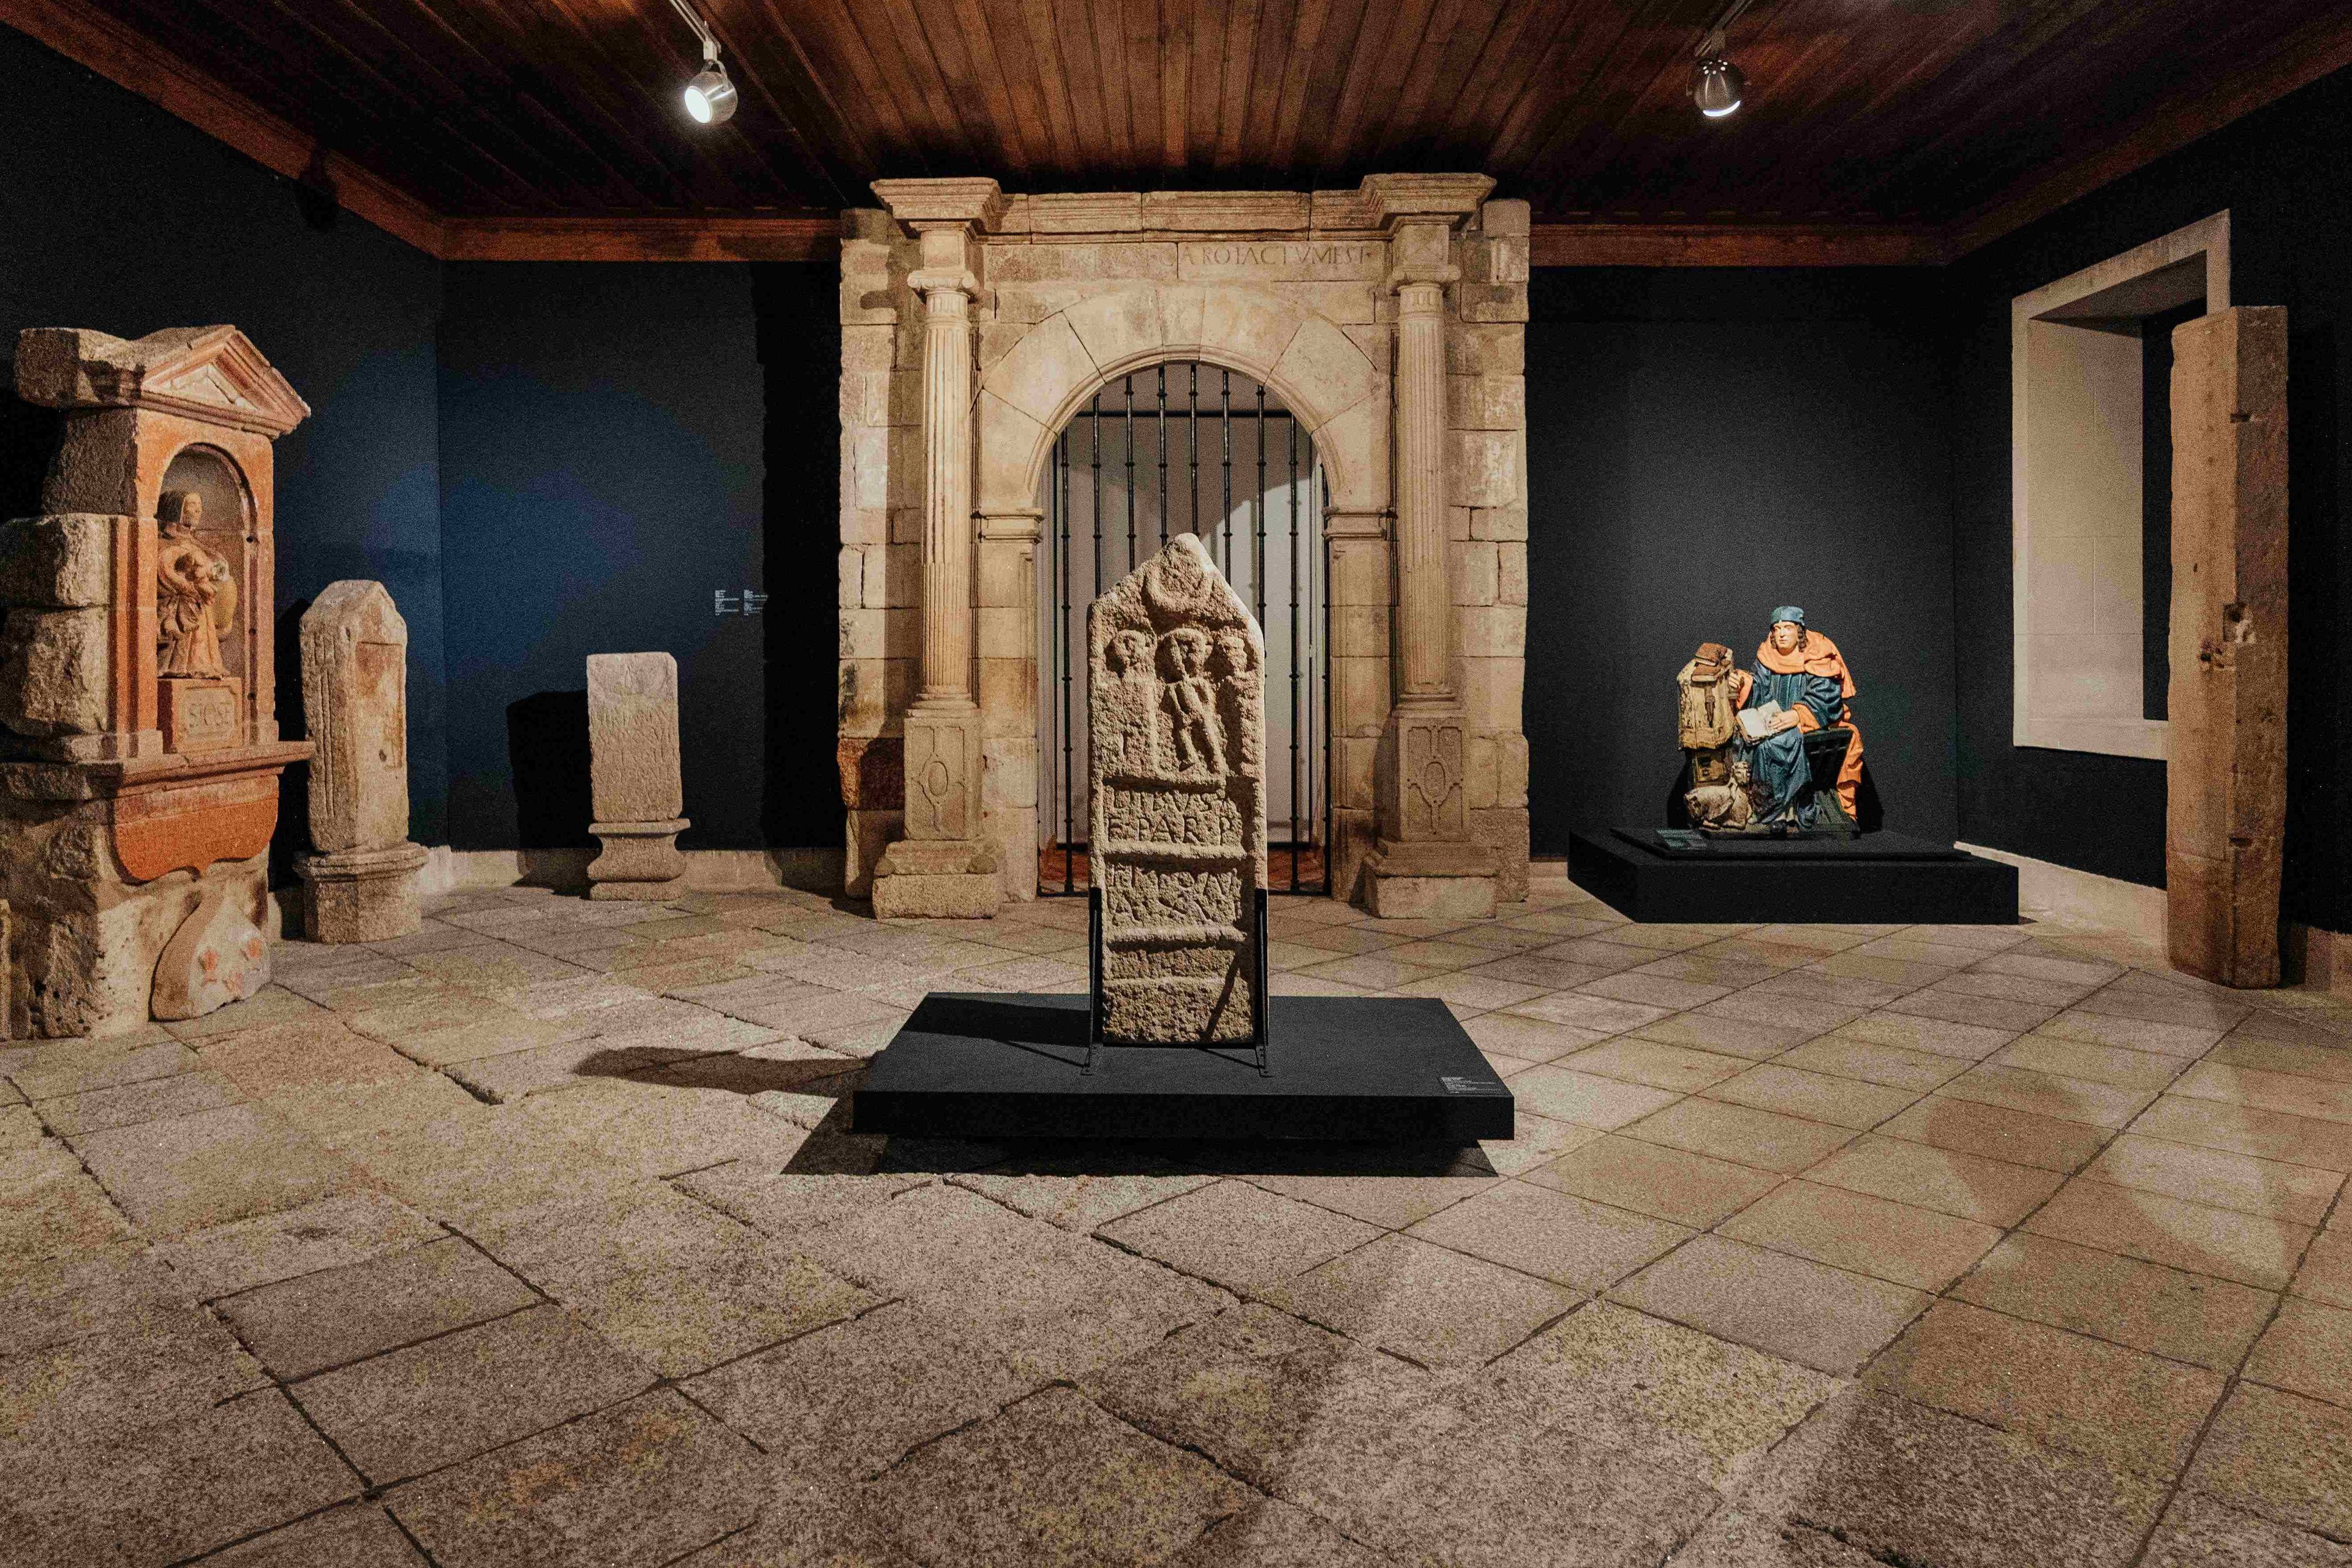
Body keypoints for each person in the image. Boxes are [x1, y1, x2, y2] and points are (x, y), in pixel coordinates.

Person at [1740, 606, 1863, 824]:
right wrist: (1743, 683)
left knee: (1775, 745)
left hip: (1808, 725)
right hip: (1772, 721)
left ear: (1799, 631)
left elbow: (1826, 694)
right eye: (1777, 629)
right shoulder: (1768, 654)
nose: (1782, 634)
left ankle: (1778, 810)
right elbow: (1758, 685)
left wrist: (1798, 714)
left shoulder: (1818, 653)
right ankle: (1747, 803)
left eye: (1787, 627)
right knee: (1740, 739)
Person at [156, 491, 234, 679]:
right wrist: (188, 586)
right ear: (177, 510)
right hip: (181, 604)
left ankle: (205, 664)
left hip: (201, 604)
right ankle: (179, 666)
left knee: (203, 640)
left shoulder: (196, 544)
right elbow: (163, 572)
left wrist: (216, 569)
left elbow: (215, 570)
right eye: (192, 505)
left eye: (200, 505)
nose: (198, 510)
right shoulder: (162, 542)